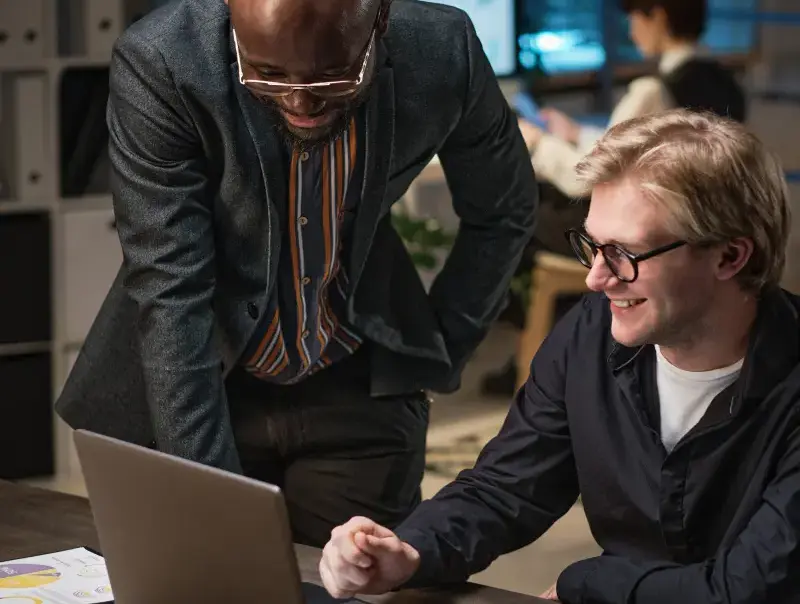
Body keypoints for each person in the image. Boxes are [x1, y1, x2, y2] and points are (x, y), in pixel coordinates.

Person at [54, 0, 538, 548]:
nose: (300, 101)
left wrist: (446, 346)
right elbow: (171, 287)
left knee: (360, 589)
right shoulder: (165, 59)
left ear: (379, 21)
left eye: (332, 75)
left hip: (356, 391)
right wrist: (210, 493)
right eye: (268, 75)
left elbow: (503, 210)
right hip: (196, 390)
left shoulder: (441, 48)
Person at [319, 109, 800, 604]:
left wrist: (586, 582)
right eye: (592, 245)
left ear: (730, 257)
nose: (596, 278)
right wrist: (409, 552)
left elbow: (745, 591)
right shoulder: (592, 334)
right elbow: (505, 488)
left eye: (625, 254)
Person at [481, 0, 747, 397]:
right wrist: (574, 134)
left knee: (521, 214)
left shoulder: (652, 90)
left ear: (658, 15)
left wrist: (538, 143)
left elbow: (591, 179)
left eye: (635, 19)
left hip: (643, 235)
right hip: (690, 224)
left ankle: (535, 354)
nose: (631, 30)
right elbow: (651, 155)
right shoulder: (722, 83)